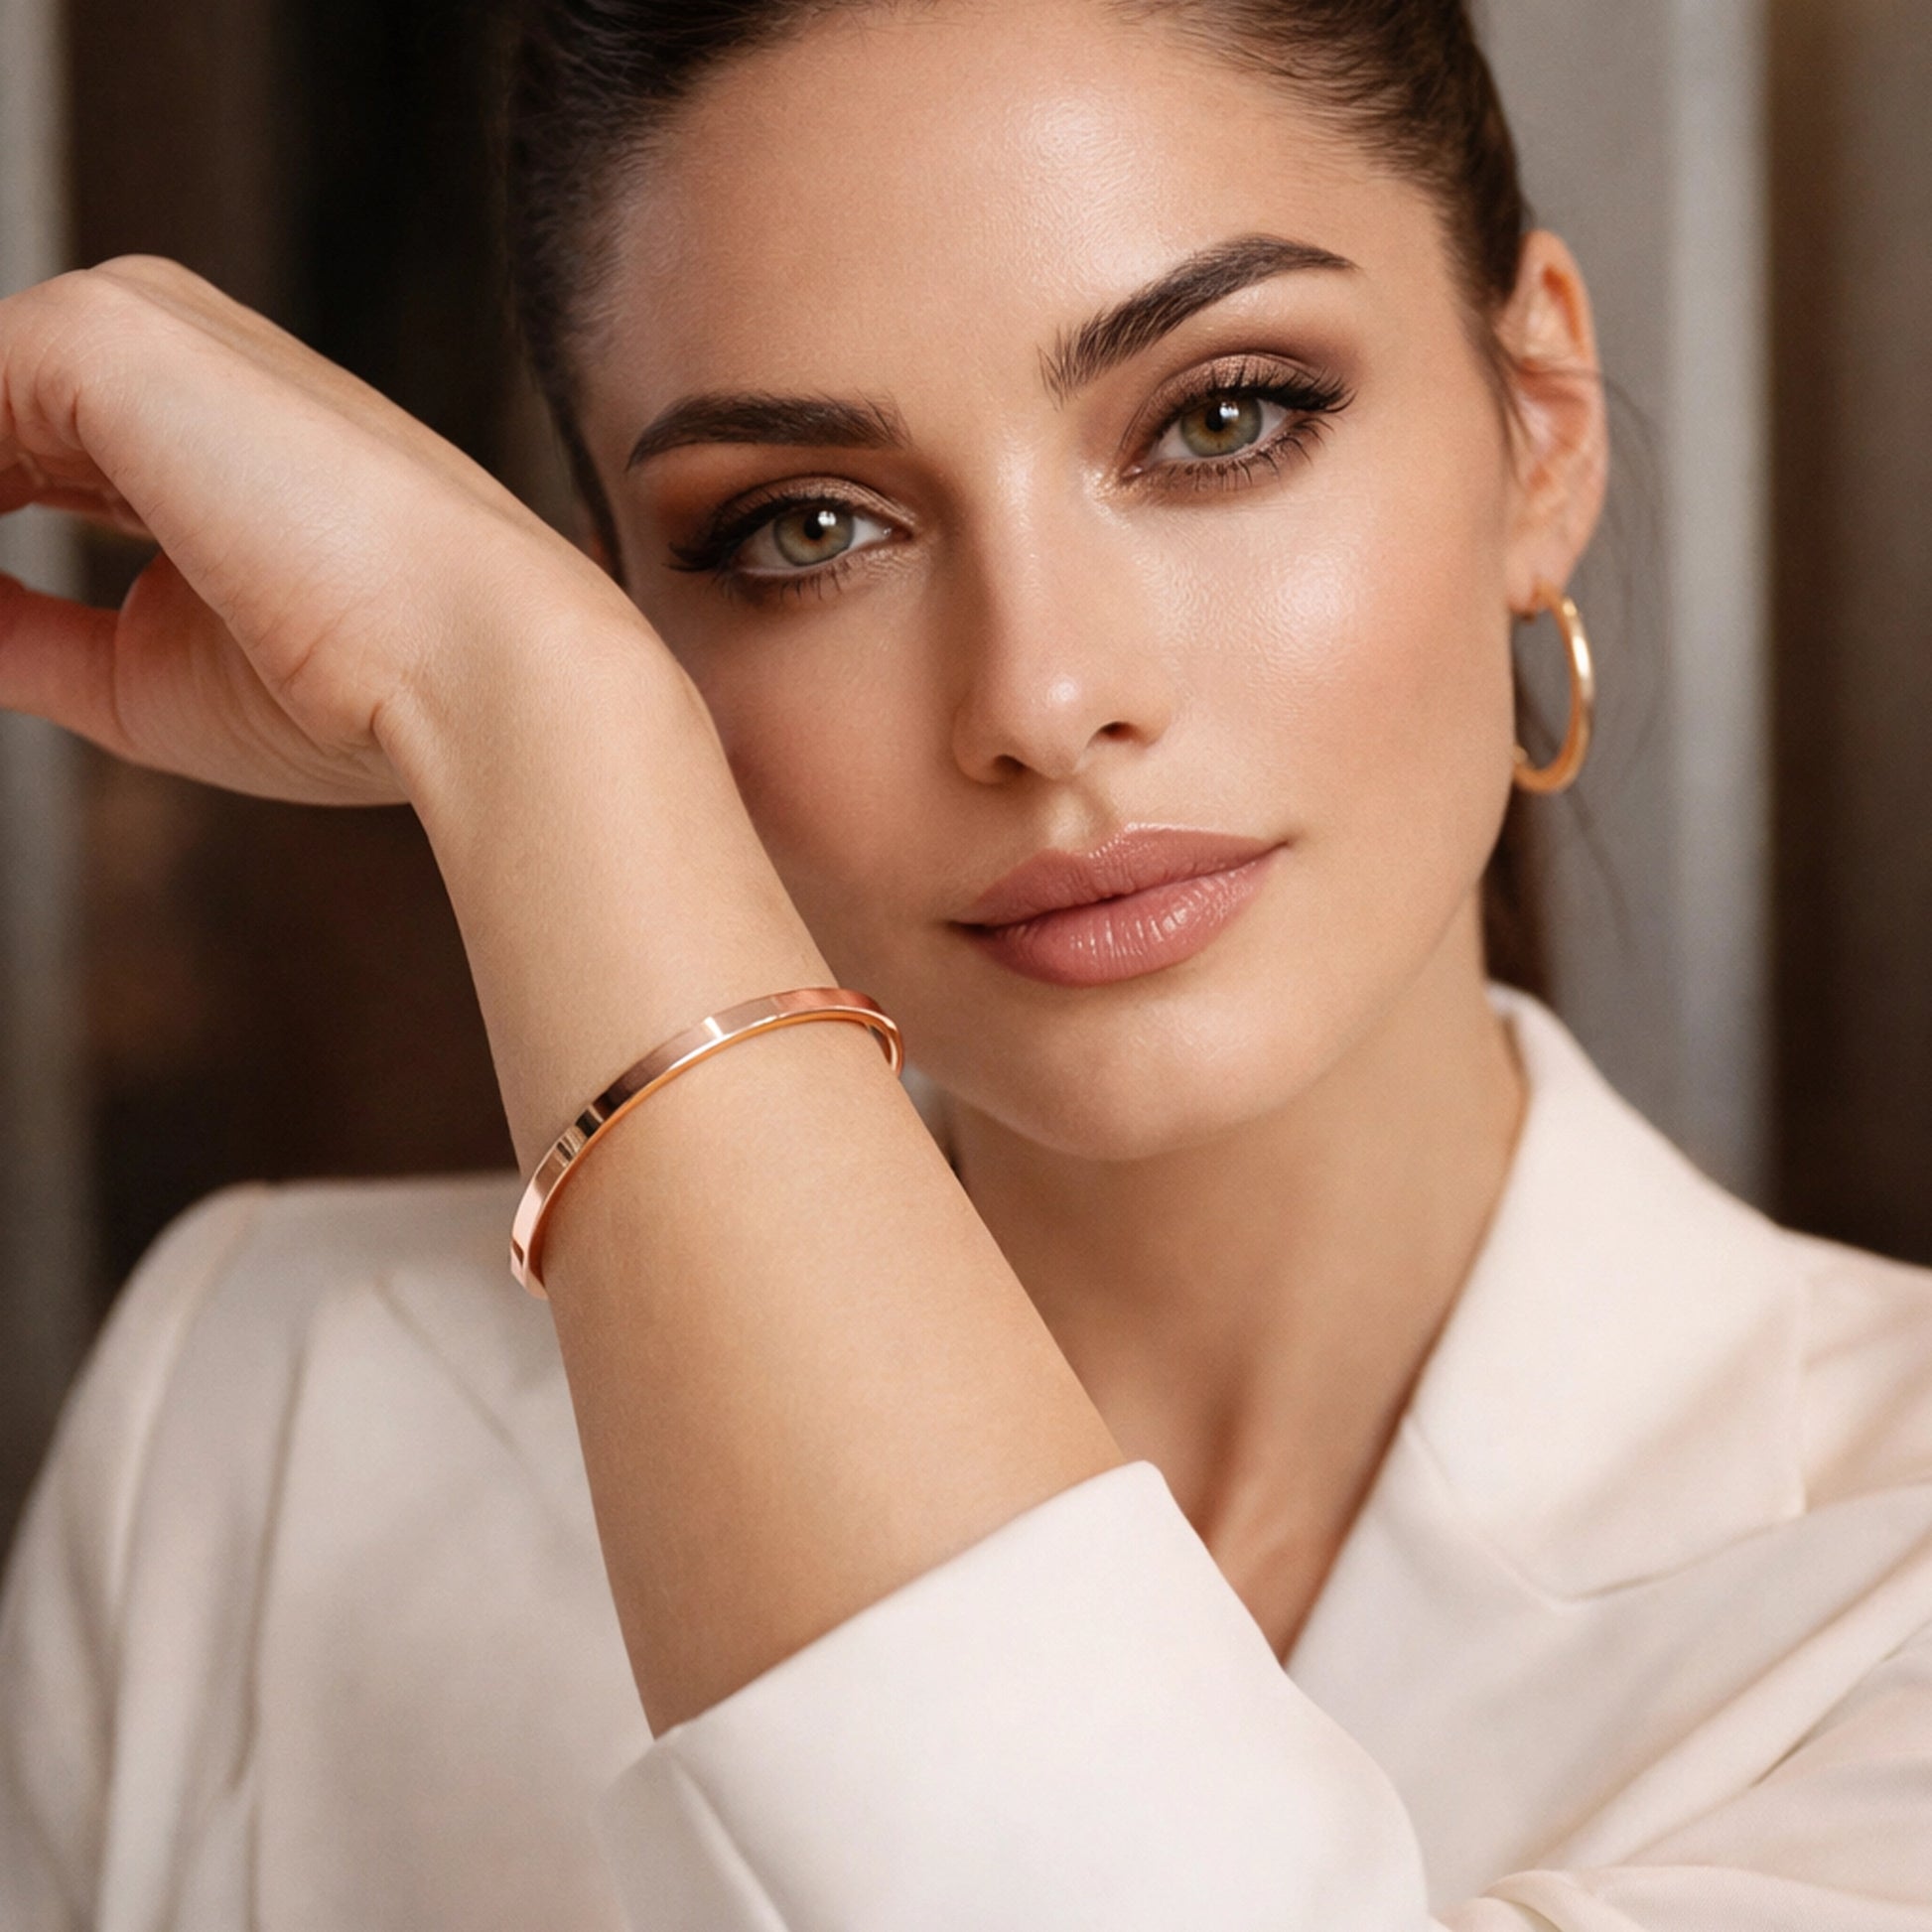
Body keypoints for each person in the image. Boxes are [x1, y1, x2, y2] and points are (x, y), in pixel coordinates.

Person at [1, 0, 1929, 1924]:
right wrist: (534, 713)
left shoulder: (1885, 1569)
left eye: (1221, 418)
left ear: (1542, 429)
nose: (1042, 695)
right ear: (627, 619)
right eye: (804, 527)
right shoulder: (258, 1419)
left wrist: (513, 711)